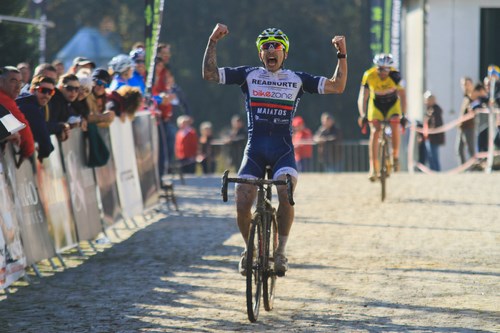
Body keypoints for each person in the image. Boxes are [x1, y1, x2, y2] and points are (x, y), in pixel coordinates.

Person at [202, 23, 347, 276]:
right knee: (242, 201)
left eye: (276, 46)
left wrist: (342, 54)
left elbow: (337, 86)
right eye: (265, 47)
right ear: (260, 54)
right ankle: (251, 249)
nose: (271, 49)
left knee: (285, 192)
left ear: (284, 53)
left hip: (282, 152)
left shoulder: (297, 79)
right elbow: (210, 74)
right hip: (254, 151)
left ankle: (280, 251)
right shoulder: (249, 75)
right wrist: (213, 41)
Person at [357, 53, 407, 181]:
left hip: (392, 105)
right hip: (376, 106)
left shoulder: (396, 76)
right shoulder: (369, 75)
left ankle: (395, 156)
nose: (382, 72)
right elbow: (363, 97)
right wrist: (362, 114)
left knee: (395, 124)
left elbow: (403, 96)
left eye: (385, 69)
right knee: (375, 131)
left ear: (390, 69)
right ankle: (373, 167)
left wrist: (403, 115)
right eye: (379, 68)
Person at [16, 75, 56, 160]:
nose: (46, 95)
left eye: (50, 92)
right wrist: (44, 152)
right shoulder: (31, 108)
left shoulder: (28, 103)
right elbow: (45, 142)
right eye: (43, 90)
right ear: (32, 90)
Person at [0, 66, 35, 160]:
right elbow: (23, 130)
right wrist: (28, 152)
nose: (18, 86)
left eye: (20, 82)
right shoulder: (3, 99)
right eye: (13, 81)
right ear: (1, 82)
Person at [423, 91, 445, 171]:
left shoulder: (436, 110)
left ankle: (436, 173)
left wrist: (431, 131)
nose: (426, 102)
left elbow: (436, 123)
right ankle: (432, 173)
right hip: (429, 137)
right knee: (430, 158)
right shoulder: (429, 110)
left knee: (434, 157)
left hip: (434, 138)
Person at [456, 76, 475, 164]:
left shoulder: (473, 97)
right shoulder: (465, 98)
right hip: (462, 127)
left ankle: (475, 167)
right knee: (459, 149)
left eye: (467, 84)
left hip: (469, 127)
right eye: (463, 85)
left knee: (470, 149)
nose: (465, 87)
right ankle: (463, 168)